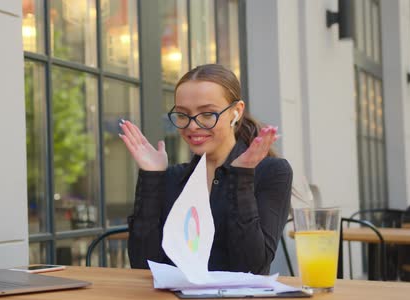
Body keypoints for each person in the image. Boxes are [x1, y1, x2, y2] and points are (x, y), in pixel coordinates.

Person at [119, 64, 292, 274]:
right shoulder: (172, 178)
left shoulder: (272, 172)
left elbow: (250, 268)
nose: (193, 126)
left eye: (208, 114)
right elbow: (143, 265)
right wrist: (151, 177)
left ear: (236, 112)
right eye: (183, 115)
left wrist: (242, 176)